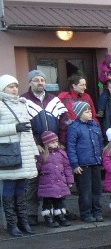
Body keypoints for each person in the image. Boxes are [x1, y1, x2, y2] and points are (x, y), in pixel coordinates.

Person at [22, 69, 66, 224]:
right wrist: (36, 144)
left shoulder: (54, 100)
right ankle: (31, 214)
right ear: (30, 83)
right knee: (33, 182)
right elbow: (25, 125)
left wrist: (61, 142)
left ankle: (59, 212)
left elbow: (63, 122)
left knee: (56, 178)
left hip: (54, 148)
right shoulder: (24, 101)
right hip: (35, 149)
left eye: (42, 80)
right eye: (36, 80)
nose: (40, 82)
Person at [0, 74, 39, 236]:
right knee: (9, 190)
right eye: (11, 86)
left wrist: (34, 151)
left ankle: (23, 222)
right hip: (9, 155)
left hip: (24, 153)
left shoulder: (22, 104)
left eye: (16, 86)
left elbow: (28, 132)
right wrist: (14, 128)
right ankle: (12, 224)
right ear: (3, 89)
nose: (15, 89)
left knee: (21, 190)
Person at [66, 102, 104, 223]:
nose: (90, 113)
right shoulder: (74, 127)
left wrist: (101, 157)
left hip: (96, 161)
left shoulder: (95, 125)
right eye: (86, 111)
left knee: (97, 189)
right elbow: (71, 146)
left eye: (90, 111)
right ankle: (86, 212)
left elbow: (99, 142)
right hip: (83, 164)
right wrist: (75, 164)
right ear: (79, 114)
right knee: (85, 190)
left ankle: (97, 211)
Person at [36, 131, 73, 228]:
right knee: (47, 201)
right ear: (46, 143)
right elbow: (38, 168)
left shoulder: (61, 153)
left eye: (56, 142)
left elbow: (67, 167)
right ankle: (48, 218)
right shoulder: (42, 155)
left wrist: (69, 180)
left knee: (59, 200)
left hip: (59, 181)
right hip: (47, 182)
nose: (55, 144)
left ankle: (60, 216)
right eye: (52, 142)